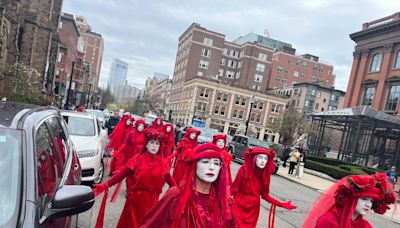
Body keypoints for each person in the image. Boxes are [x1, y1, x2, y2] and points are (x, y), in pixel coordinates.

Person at [93, 128, 176, 228]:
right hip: (136, 201)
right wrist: (105, 185)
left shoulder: (162, 162)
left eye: (157, 143)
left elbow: (170, 181)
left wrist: (182, 193)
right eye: (152, 142)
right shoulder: (137, 159)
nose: (154, 146)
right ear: (146, 144)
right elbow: (122, 175)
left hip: (153, 202)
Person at [139, 143, 235, 227]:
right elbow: (152, 223)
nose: (211, 167)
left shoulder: (222, 201)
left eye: (216, 163)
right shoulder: (175, 195)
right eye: (205, 162)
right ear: (195, 165)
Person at [230, 147, 296, 228]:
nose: (262, 161)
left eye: (265, 158)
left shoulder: (265, 175)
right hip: (238, 205)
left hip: (253, 210)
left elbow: (265, 195)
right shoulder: (244, 170)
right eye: (260, 157)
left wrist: (281, 204)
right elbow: (233, 189)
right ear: (254, 158)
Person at [303, 173, 397, 228]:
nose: (368, 204)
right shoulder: (328, 221)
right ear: (351, 198)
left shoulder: (365, 226)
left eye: (371, 201)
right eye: (364, 199)